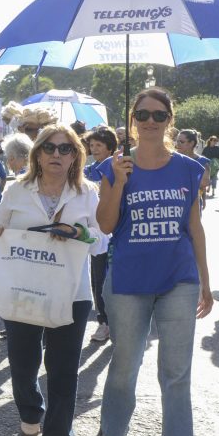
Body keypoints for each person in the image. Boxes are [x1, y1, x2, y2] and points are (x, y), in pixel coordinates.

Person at [95, 88, 213, 436]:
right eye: (142, 114)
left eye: (158, 115)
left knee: (177, 374)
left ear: (169, 120)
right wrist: (118, 181)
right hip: (128, 280)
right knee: (126, 362)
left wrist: (206, 281)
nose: (150, 121)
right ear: (133, 119)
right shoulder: (114, 166)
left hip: (179, 278)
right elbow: (106, 225)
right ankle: (112, 429)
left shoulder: (189, 169)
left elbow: (194, 227)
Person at [0, 125, 105, 436]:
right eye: (49, 148)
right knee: (23, 364)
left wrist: (78, 233)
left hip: (71, 293)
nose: (56, 154)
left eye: (65, 149)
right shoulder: (16, 190)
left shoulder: (87, 193)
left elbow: (102, 241)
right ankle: (30, 409)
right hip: (22, 290)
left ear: (75, 156)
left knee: (63, 368)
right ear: (37, 154)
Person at [83, 127, 118, 342]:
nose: (94, 149)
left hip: (117, 234)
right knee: (98, 280)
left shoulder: (118, 167)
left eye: (99, 145)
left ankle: (121, 321)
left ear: (110, 147)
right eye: (92, 145)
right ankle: (103, 322)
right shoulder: (87, 171)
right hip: (97, 235)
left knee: (116, 281)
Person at [176, 129, 211, 209]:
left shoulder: (202, 162)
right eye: (177, 141)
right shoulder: (172, 159)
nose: (177, 144)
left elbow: (204, 184)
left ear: (191, 143)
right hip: (175, 203)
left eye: (181, 142)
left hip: (193, 204)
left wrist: (204, 199)